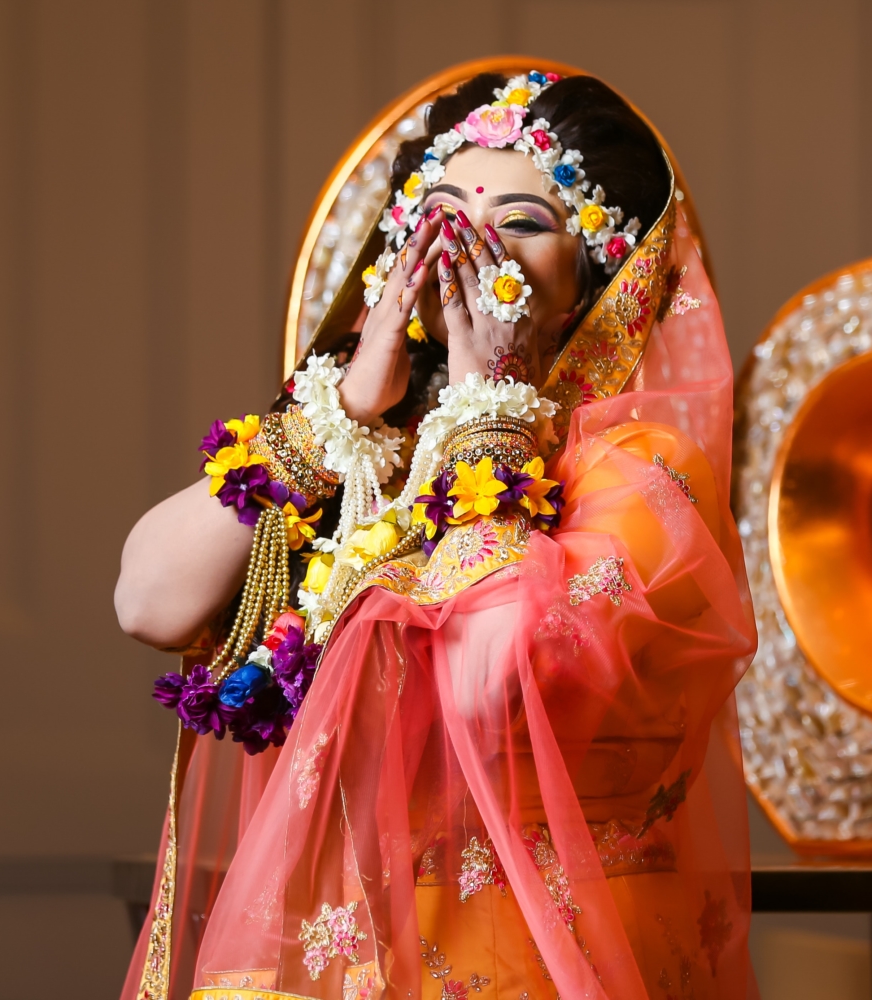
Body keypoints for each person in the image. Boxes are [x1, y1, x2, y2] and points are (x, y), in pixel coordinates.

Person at [115, 66, 757, 1000]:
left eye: (524, 224)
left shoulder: (641, 471)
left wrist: (483, 414)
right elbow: (147, 601)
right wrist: (339, 410)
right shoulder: (371, 454)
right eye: (442, 209)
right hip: (351, 955)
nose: (464, 245)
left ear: (596, 283)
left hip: (533, 959)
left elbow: (488, 681)